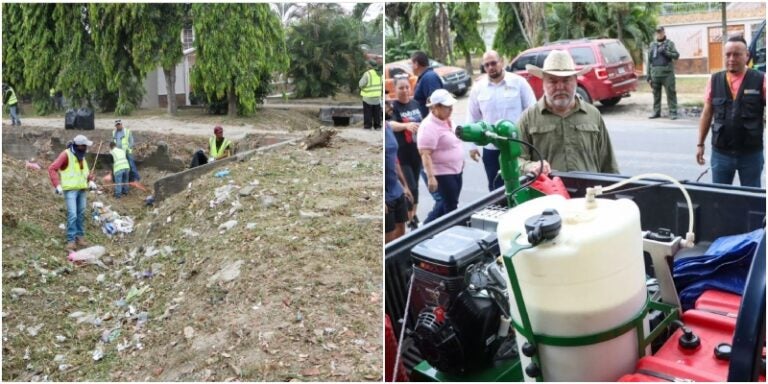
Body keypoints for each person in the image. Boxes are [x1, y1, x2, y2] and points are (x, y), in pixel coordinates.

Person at [519, 50, 619, 174]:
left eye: (566, 80)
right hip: (548, 193)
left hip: (588, 192)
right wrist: (530, 167)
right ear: (543, 82)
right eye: (553, 81)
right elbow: (516, 161)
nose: (560, 87)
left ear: (576, 81)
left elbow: (608, 163)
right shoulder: (528, 118)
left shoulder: (593, 115)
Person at [696, 35, 766, 187]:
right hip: (721, 154)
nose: (731, 59)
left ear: (747, 55)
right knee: (720, 200)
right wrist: (700, 144)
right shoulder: (714, 80)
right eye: (728, 54)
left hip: (751, 154)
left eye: (737, 54)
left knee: (751, 200)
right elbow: (707, 113)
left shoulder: (761, 80)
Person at [467, 50, 537, 191]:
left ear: (502, 62)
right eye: (486, 65)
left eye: (493, 63)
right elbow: (472, 115)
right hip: (491, 148)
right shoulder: (478, 88)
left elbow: (532, 110)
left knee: (523, 185)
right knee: (496, 189)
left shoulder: (519, 82)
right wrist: (472, 146)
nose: (490, 67)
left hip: (518, 146)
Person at [418, 89, 464, 224]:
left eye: (451, 107)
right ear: (436, 107)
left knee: (447, 203)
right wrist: (431, 177)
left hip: (455, 169)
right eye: (446, 107)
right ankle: (449, 231)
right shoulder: (428, 126)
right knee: (451, 206)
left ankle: (426, 229)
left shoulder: (447, 120)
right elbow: (425, 154)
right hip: (442, 173)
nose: (450, 110)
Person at [48, 135, 98, 251]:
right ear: (78, 145)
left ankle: (79, 237)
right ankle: (71, 240)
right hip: (70, 190)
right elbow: (52, 168)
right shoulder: (66, 154)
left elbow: (85, 172)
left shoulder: (82, 157)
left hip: (81, 189)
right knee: (73, 215)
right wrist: (57, 185)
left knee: (80, 214)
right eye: (84, 145)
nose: (86, 147)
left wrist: (90, 180)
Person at [388, 77, 423, 229]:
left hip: (416, 152)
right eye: (401, 88)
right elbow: (390, 124)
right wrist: (406, 125)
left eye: (407, 87)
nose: (405, 90)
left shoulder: (415, 104)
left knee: (416, 187)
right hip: (402, 155)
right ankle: (409, 219)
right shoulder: (394, 106)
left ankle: (413, 216)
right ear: (395, 90)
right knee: (410, 187)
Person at [385, 122, 413, 243]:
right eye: (387, 104)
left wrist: (405, 186)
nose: (391, 106)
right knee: (388, 238)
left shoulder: (388, 126)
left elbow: (395, 161)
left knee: (401, 234)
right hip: (385, 196)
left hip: (396, 190)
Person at [648, 26, 680, 120]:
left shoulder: (669, 44)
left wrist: (666, 52)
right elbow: (649, 61)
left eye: (661, 32)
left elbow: (676, 56)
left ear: (664, 32)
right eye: (657, 32)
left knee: (671, 93)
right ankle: (656, 112)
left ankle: (673, 112)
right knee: (656, 94)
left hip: (667, 74)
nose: (659, 34)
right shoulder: (652, 45)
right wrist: (648, 76)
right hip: (655, 74)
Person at [411, 51, 444, 119]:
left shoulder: (429, 77)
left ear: (416, 64)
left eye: (411, 64)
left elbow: (435, 103)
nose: (411, 67)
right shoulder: (424, 77)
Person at [359, 61, 383, 130]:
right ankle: (377, 126)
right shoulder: (380, 74)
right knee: (377, 113)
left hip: (368, 97)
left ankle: (368, 126)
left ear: (369, 66)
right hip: (377, 97)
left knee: (368, 113)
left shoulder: (367, 74)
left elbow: (361, 84)